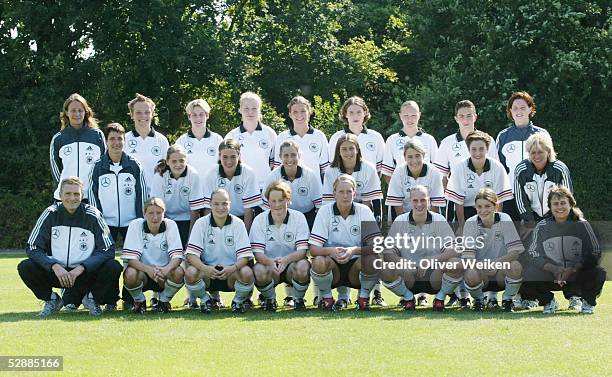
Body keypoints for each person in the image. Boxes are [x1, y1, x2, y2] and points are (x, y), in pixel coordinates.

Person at [18, 177, 121, 317]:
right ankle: (52, 300)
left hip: (84, 273)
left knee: (113, 266)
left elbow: (107, 250)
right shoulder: (50, 214)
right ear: (60, 196)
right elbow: (33, 247)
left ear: (82, 196)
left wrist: (82, 268)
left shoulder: (93, 215)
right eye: (68, 194)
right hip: (58, 273)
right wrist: (54, 266)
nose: (72, 198)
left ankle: (92, 299)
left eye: (76, 194)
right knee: (26, 266)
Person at [521, 186, 606, 314]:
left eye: (563, 203)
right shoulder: (542, 226)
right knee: (527, 272)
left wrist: (573, 268)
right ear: (550, 206)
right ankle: (548, 301)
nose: (559, 207)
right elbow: (533, 253)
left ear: (571, 204)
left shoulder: (582, 224)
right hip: (552, 274)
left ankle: (587, 301)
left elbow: (595, 251)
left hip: (576, 273)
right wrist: (554, 269)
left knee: (598, 272)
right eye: (555, 204)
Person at [380, 185, 462, 312]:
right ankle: (408, 297)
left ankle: (440, 298)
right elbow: (388, 253)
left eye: (423, 200)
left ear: (429, 201)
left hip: (435, 276)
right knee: (384, 267)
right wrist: (403, 263)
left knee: (456, 264)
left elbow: (455, 249)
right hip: (409, 276)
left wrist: (431, 260)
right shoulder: (400, 220)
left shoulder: (439, 219)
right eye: (415, 200)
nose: (419, 204)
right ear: (410, 201)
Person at [309, 174, 382, 311]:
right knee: (318, 261)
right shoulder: (325, 211)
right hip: (333, 268)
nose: (345, 195)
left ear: (354, 193)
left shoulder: (364, 211)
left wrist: (353, 250)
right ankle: (327, 298)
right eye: (341, 191)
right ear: (334, 193)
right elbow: (314, 249)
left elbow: (377, 246)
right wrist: (331, 251)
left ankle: (363, 298)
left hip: (355, 268)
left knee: (373, 259)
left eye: (349, 191)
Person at [184, 189, 255, 314]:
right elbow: (191, 255)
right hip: (208, 274)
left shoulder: (238, 223)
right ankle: (207, 300)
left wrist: (232, 268)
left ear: (230, 204)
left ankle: (237, 302)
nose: (220, 207)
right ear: (210, 205)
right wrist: (205, 268)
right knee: (190, 272)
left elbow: (245, 256)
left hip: (231, 274)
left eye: (224, 203)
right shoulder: (201, 223)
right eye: (216, 204)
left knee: (247, 272)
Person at [251, 181, 311, 311]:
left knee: (303, 266)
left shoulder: (299, 218)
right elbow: (258, 253)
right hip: (269, 266)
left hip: (292, 265)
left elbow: (302, 251)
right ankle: (270, 300)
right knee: (258, 270)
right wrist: (270, 262)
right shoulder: (259, 220)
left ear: (288, 200)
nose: (277, 204)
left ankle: (298, 299)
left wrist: (286, 260)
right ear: (268, 202)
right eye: (273, 200)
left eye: (281, 200)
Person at [462, 188, 525, 312]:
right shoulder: (470, 223)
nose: (483, 210)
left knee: (516, 266)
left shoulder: (505, 218)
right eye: (479, 206)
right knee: (470, 273)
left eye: (487, 206)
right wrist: (482, 265)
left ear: (496, 206)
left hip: (501, 271)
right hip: (482, 273)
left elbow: (515, 252)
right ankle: (479, 300)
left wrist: (496, 262)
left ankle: (508, 300)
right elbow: (468, 257)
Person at [121, 197, 185, 313]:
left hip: (163, 274)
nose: (155, 217)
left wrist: (166, 269)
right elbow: (131, 260)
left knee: (179, 272)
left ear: (164, 213)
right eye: (151, 213)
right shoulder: (135, 225)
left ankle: (164, 301)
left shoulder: (171, 225)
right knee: (130, 273)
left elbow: (177, 257)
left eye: (159, 213)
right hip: (142, 273)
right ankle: (139, 301)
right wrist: (149, 270)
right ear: (144, 214)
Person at [88, 123, 147, 243]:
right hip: (106, 223)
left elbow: (142, 194)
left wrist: (140, 220)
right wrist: (99, 221)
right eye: (112, 139)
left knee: (134, 258)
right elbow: (92, 195)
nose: (116, 142)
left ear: (124, 141)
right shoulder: (98, 166)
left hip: (131, 222)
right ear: (106, 141)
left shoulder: (134, 165)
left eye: (120, 139)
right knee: (106, 258)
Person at [495, 91, 550, 220]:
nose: (519, 111)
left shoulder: (541, 134)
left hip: (537, 193)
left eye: (523, 107)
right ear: (510, 111)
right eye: (515, 108)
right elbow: (499, 167)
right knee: (513, 234)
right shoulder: (503, 136)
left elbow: (550, 163)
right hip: (511, 195)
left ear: (530, 109)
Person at [445, 130, 513, 230]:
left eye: (481, 149)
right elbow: (458, 202)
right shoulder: (460, 168)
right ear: (468, 149)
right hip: (466, 212)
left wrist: (495, 223)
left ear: (487, 149)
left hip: (490, 211)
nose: (478, 153)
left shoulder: (497, 167)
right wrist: (463, 227)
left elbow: (500, 200)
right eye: (474, 149)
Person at [50, 93, 106, 202]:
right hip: (66, 198)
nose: (77, 114)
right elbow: (56, 170)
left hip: (91, 196)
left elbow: (104, 164)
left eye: (80, 110)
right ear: (66, 112)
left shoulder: (97, 135)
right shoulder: (58, 138)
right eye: (73, 110)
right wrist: (65, 190)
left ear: (86, 112)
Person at [201, 139, 262, 232]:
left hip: (242, 218)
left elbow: (248, 210)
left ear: (239, 156)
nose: (229, 161)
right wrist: (210, 232)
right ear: (219, 156)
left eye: (233, 157)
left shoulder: (248, 173)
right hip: (218, 218)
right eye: (225, 157)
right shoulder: (211, 174)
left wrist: (245, 234)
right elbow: (208, 209)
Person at [514, 132, 573, 228]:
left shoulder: (560, 169)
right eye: (533, 152)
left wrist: (558, 220)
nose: (537, 156)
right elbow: (520, 200)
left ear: (548, 152)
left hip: (555, 219)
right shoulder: (521, 170)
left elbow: (567, 198)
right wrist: (529, 222)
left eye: (540, 152)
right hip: (531, 220)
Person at [150, 144, 204, 247]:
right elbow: (157, 207)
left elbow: (195, 211)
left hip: (187, 220)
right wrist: (165, 233)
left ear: (186, 160)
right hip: (166, 220)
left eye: (181, 160)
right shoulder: (159, 176)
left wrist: (190, 241)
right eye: (174, 161)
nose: (178, 164)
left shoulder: (193, 175)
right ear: (167, 162)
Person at [433, 100, 498, 185]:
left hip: (484, 195)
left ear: (475, 117)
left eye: (469, 116)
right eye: (461, 116)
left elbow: (496, 171)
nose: (465, 120)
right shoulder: (447, 142)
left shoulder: (488, 140)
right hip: (458, 195)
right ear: (456, 119)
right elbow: (440, 175)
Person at [225, 91, 277, 191]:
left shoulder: (269, 133)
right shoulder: (232, 135)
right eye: (246, 109)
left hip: (266, 187)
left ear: (259, 110)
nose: (250, 112)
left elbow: (275, 163)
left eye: (254, 108)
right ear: (240, 110)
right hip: (240, 187)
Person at [264, 140, 322, 228]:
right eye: (286, 155)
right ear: (280, 156)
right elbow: (266, 206)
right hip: (282, 217)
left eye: (293, 155)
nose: (290, 159)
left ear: (299, 155)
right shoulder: (273, 177)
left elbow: (319, 205)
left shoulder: (310, 175)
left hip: (308, 217)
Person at [382, 100, 438, 182]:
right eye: (406, 115)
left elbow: (437, 170)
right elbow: (387, 173)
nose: (410, 119)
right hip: (401, 190)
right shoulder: (392, 140)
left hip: (426, 189)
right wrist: (397, 190)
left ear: (419, 115)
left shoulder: (429, 139)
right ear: (400, 116)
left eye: (413, 115)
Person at [124, 93, 170, 192]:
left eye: (147, 112)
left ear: (152, 114)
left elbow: (168, 171)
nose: (143, 116)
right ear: (131, 115)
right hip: (130, 195)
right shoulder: (124, 140)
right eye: (138, 112)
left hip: (156, 196)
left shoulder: (162, 140)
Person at [386, 140, 445, 216]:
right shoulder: (398, 173)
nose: (414, 161)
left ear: (423, 155)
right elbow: (396, 203)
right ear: (404, 157)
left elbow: (436, 204)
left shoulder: (434, 172)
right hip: (404, 215)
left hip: (428, 215)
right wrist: (404, 224)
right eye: (410, 157)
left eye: (417, 156)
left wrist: (428, 224)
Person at [274, 96, 330, 176]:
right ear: (290, 114)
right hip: (288, 187)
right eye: (295, 112)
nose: (299, 115)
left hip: (314, 186)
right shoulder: (282, 137)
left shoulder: (319, 136)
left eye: (303, 111)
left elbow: (325, 168)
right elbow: (277, 167)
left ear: (309, 112)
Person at [323, 133, 382, 208]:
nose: (348, 153)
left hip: (362, 208)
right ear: (338, 152)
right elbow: (329, 201)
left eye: (351, 148)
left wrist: (359, 216)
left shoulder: (369, 169)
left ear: (357, 150)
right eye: (344, 149)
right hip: (338, 208)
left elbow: (368, 200)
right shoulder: (330, 171)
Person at [176, 98, 223, 177]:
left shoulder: (217, 140)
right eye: (194, 115)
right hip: (190, 187)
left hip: (212, 187)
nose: (198, 118)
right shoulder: (181, 141)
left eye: (201, 114)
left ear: (207, 115)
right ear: (189, 117)